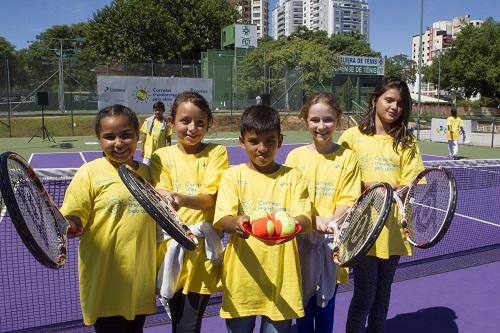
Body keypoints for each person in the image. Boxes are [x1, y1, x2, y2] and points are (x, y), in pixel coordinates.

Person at [213, 105, 312, 333]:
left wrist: (295, 226)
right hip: (242, 282)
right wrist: (237, 223)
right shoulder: (232, 176)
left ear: (280, 140)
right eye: (254, 141)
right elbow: (222, 219)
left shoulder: (294, 177)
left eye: (270, 141)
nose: (262, 148)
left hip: (282, 282)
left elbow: (304, 218)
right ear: (242, 142)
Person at [338, 77, 424, 333]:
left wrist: (401, 188)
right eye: (389, 100)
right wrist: (372, 186)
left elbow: (413, 180)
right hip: (362, 228)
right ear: (375, 100)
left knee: (383, 293)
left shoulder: (407, 142)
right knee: (365, 294)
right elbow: (342, 177)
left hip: (395, 229)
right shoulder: (352, 137)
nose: (394, 107)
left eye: (400, 103)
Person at [61, 104, 157, 332]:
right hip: (106, 281)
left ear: (137, 135)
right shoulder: (89, 173)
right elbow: (74, 213)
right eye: (109, 137)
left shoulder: (148, 174)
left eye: (126, 135)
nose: (119, 143)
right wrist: (72, 224)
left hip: (140, 281)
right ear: (100, 140)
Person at [150, 91, 229, 333]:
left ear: (208, 125)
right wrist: (169, 198)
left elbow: (208, 200)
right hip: (168, 253)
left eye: (200, 123)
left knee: (188, 325)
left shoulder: (217, 153)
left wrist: (180, 198)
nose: (192, 128)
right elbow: (161, 196)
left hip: (201, 255)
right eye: (185, 121)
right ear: (172, 123)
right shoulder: (160, 156)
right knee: (179, 323)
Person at [285, 92, 362, 333]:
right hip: (300, 246)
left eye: (327, 120)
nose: (321, 126)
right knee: (303, 313)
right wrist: (313, 222)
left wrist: (332, 222)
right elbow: (291, 198)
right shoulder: (295, 157)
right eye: (315, 120)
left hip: (333, 245)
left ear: (338, 120)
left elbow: (348, 199)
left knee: (326, 312)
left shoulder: (348, 157)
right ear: (306, 121)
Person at [140, 101, 173, 165]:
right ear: (153, 110)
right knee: (145, 171)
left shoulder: (166, 123)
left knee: (158, 172)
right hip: (148, 153)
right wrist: (142, 149)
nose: (157, 112)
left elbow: (168, 139)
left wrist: (168, 151)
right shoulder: (148, 121)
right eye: (155, 110)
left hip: (160, 153)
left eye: (159, 110)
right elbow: (144, 136)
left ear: (163, 110)